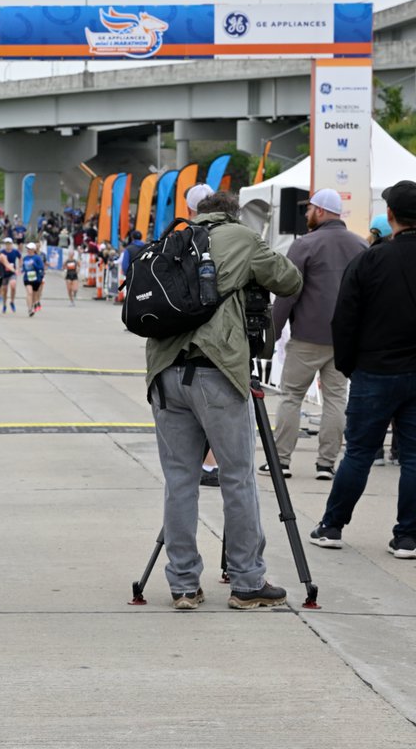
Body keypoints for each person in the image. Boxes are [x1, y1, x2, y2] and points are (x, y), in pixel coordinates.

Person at [143, 190, 301, 610]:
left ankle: (182, 585)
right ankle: (247, 582)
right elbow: (289, 280)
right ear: (233, 214)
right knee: (237, 476)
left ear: (200, 213)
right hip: (216, 370)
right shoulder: (243, 237)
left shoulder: (173, 239)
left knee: (180, 480)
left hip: (164, 372)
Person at [309, 181, 416, 558]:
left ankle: (332, 525)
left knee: (358, 452)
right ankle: (408, 536)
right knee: (414, 458)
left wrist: (348, 365)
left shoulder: (371, 259)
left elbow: (345, 318)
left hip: (374, 371)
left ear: (389, 217)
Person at [260, 188, 367, 481]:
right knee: (335, 399)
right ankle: (326, 464)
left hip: (308, 336)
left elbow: (287, 292)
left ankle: (280, 460)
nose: (306, 214)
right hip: (345, 339)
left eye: (308, 209)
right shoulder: (361, 245)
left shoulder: (304, 245)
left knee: (291, 396)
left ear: (320, 211)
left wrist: (272, 331)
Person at [21, 240, 45, 316]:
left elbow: (41, 268)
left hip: (36, 279)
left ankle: (34, 304)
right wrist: (21, 270)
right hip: (27, 279)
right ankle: (29, 309)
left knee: (34, 294)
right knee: (29, 293)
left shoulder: (37, 258)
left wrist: (34, 264)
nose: (28, 250)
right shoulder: (25, 258)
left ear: (33, 250)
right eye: (27, 248)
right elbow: (24, 268)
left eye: (30, 249)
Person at [0, 236, 21, 313]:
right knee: (4, 290)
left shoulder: (15, 251)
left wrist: (18, 268)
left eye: (9, 243)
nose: (8, 245)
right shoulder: (2, 252)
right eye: (6, 243)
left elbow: (20, 257)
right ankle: (4, 305)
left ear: (11, 244)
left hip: (12, 272)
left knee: (13, 285)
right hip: (4, 273)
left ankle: (12, 301)